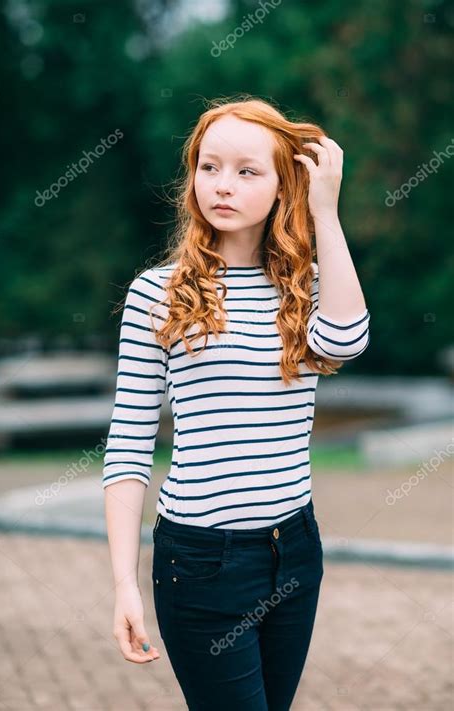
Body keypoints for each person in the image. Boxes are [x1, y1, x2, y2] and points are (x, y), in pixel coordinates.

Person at [102, 96, 370, 710]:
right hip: (200, 562)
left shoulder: (304, 287)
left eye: (248, 171)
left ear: (284, 186)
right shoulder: (158, 293)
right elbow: (128, 442)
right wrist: (123, 584)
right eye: (209, 166)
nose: (222, 185)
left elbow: (348, 340)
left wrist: (325, 211)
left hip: (294, 550)